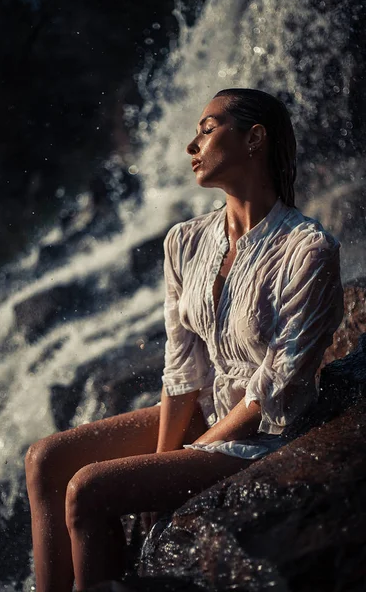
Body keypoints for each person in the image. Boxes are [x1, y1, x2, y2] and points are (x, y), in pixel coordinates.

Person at [25, 88, 344, 592]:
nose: (191, 145)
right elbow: (183, 368)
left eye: (208, 128)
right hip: (209, 411)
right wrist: (163, 459)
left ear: (254, 138)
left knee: (88, 489)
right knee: (46, 459)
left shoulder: (308, 249)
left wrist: (193, 452)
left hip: (266, 434)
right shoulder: (185, 241)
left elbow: (275, 387)